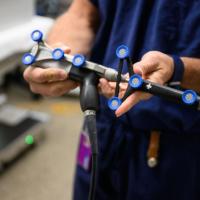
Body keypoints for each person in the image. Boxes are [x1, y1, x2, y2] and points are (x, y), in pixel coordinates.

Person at [24, 0, 200, 199]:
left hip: (173, 150)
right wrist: (58, 57)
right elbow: (83, 10)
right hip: (101, 129)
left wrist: (178, 69)